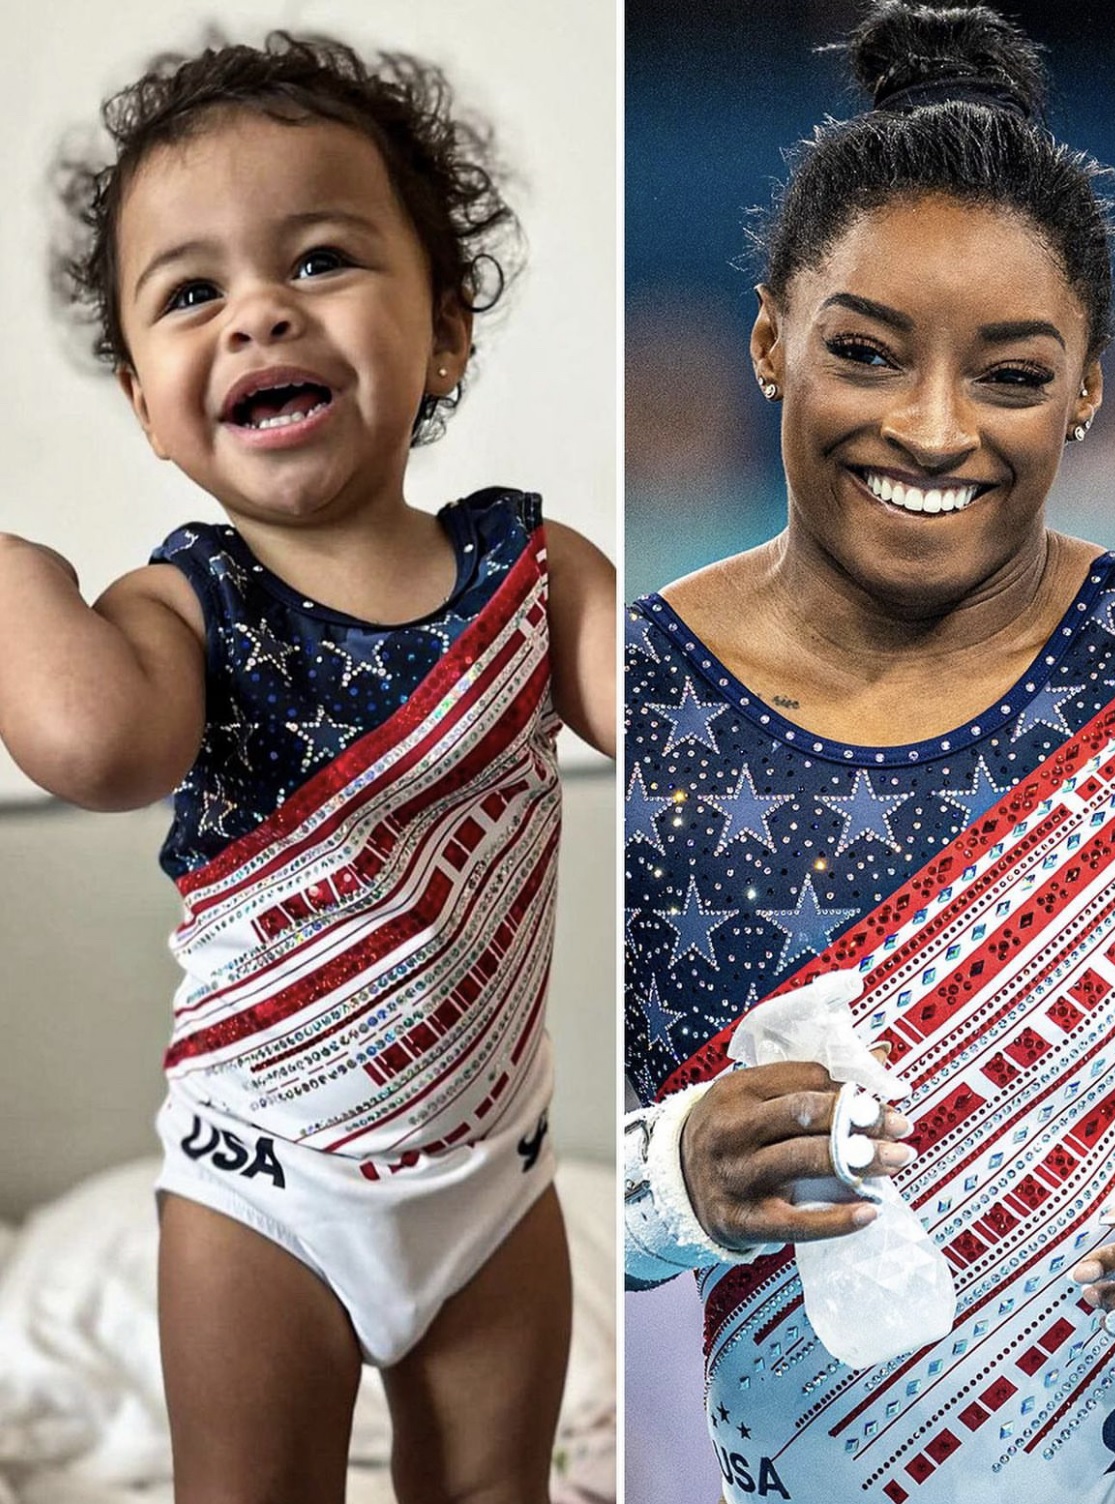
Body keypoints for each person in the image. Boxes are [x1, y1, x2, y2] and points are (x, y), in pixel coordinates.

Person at [623, 3, 1115, 1500]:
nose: (932, 428)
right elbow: (474, 1158)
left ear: (1087, 389)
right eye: (866, 354)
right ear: (770, 337)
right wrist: (668, 1183)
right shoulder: (626, 700)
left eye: (1012, 377)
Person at [0, 31, 614, 1504]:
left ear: (445, 330)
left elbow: (691, 728)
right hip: (260, 1197)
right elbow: (92, 750)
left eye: (323, 259)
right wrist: (15, 571)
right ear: (151, 404)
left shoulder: (534, 574)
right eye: (193, 293)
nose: (261, 312)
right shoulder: (178, 609)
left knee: (491, 1490)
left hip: (493, 1183)